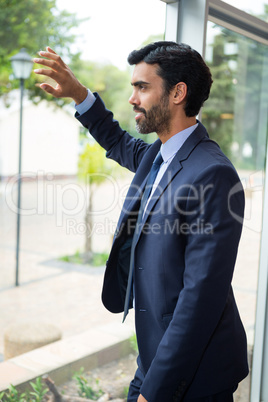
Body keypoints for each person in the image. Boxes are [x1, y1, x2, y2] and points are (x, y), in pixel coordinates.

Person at [34, 41, 248, 402]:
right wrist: (78, 94)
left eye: (142, 87)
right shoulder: (157, 155)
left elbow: (200, 303)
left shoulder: (213, 175)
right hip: (153, 358)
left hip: (195, 377)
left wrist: (154, 392)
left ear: (178, 92)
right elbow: (116, 140)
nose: (133, 98)